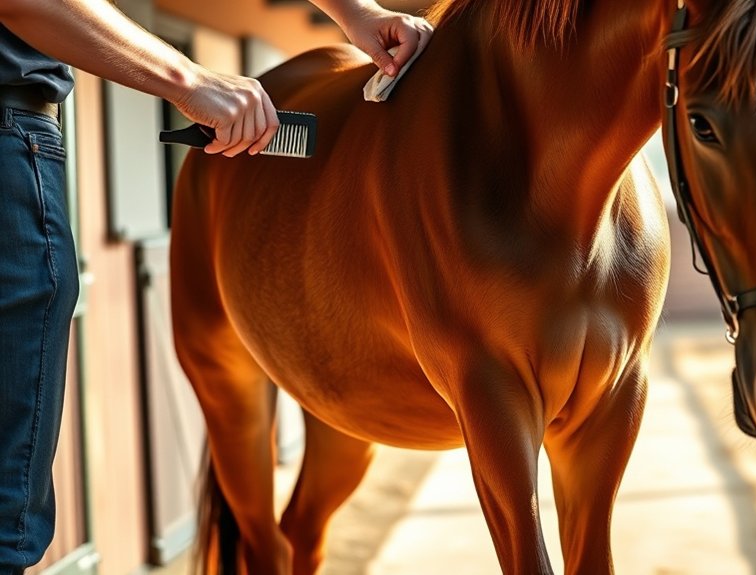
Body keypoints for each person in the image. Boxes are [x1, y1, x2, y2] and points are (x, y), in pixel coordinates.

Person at [0, 0, 432, 572]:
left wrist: (356, 13)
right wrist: (190, 81)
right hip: (11, 133)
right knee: (8, 518)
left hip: (20, 132)